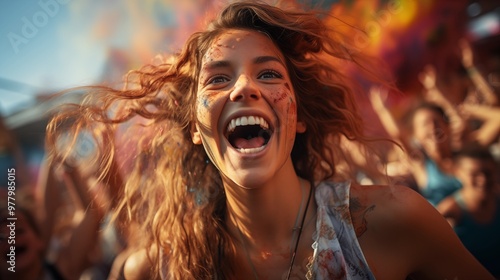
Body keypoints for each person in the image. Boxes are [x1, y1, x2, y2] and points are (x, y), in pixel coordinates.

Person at [46, 1, 493, 279]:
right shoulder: (160, 269)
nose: (244, 88)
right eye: (218, 79)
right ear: (196, 129)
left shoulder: (392, 222)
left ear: (297, 116)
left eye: (268, 74)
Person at [437, 146, 500, 278]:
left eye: (487, 172)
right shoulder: (450, 209)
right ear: (458, 173)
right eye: (474, 174)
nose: (482, 180)